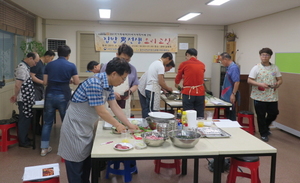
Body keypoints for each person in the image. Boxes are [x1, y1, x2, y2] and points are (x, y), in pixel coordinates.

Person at [57, 57, 139, 183]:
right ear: (114, 74)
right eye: (122, 78)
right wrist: (118, 125)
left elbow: (114, 106)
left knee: (85, 167)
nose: (123, 82)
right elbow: (101, 111)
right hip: (74, 129)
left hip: (85, 128)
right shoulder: (94, 83)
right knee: (75, 170)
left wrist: (128, 124)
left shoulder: (108, 85)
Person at [40, 45, 80, 156]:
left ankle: (44, 148)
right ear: (68, 55)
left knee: (47, 123)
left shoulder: (49, 65)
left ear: (58, 53)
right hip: (64, 96)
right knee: (66, 123)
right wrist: (69, 80)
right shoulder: (71, 65)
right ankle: (68, 147)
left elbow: (45, 82)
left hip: (50, 95)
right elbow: (76, 82)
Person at [248, 47, 283, 142]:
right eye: (262, 55)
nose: (264, 57)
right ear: (260, 56)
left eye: (266, 55)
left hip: (272, 96)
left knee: (274, 113)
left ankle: (266, 126)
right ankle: (263, 133)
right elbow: (249, 80)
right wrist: (260, 84)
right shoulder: (256, 67)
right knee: (261, 115)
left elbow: (280, 79)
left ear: (270, 57)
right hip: (259, 96)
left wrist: (278, 83)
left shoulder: (275, 67)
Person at [10, 52, 40, 148]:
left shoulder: (26, 67)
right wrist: (15, 95)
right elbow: (18, 84)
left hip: (28, 99)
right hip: (23, 99)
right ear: (30, 58)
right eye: (35, 62)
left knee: (27, 119)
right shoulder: (22, 68)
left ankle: (25, 138)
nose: (35, 64)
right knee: (24, 120)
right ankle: (23, 141)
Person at [100, 44, 139, 117]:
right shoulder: (107, 66)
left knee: (122, 119)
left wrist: (130, 91)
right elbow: (101, 84)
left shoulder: (132, 69)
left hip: (124, 101)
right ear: (117, 55)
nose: (125, 62)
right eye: (123, 59)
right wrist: (112, 93)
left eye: (127, 60)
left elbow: (135, 84)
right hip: (108, 98)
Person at [138, 52, 173, 118]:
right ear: (168, 58)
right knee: (153, 111)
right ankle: (151, 126)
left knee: (149, 110)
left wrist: (164, 89)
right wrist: (168, 89)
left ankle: (148, 125)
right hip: (152, 90)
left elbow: (158, 80)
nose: (168, 63)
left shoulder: (155, 63)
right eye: (169, 61)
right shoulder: (160, 65)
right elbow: (161, 81)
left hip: (150, 89)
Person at [30, 50, 56, 135]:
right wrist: (43, 82)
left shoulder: (43, 65)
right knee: (36, 110)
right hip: (35, 88)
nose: (51, 61)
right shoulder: (37, 64)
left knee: (40, 111)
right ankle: (35, 128)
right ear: (47, 56)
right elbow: (32, 76)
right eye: (51, 58)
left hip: (40, 88)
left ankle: (38, 127)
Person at [175, 48, 205, 117]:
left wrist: (176, 83)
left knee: (188, 114)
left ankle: (188, 127)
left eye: (186, 56)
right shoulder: (202, 64)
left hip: (188, 92)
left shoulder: (184, 64)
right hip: (200, 92)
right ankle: (199, 127)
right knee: (200, 114)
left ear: (188, 55)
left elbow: (178, 76)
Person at [219, 52, 240, 121]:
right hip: (227, 94)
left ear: (225, 59)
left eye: (221, 61)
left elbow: (236, 82)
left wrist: (233, 94)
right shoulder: (229, 68)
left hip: (231, 94)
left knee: (231, 115)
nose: (221, 63)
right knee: (227, 114)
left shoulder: (234, 68)